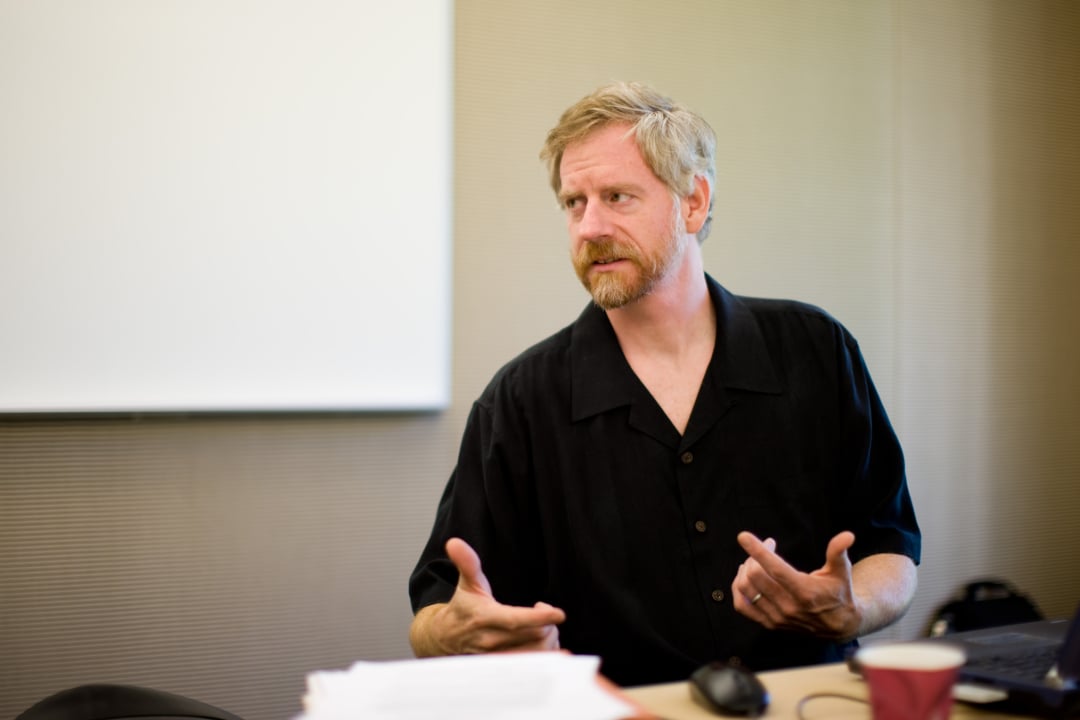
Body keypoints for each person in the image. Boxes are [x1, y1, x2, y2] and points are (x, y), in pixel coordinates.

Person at [408, 81, 920, 687]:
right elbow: (437, 611)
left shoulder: (815, 350)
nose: (589, 226)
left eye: (617, 196)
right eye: (574, 203)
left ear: (694, 202)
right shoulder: (520, 401)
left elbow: (890, 546)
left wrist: (852, 609)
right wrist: (454, 632)